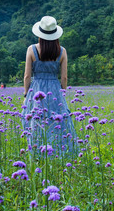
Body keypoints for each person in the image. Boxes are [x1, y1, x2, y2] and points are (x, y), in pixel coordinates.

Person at [23, 16, 76, 157]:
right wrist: (62, 94)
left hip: (37, 89)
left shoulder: (31, 49)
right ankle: (59, 152)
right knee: (57, 121)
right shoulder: (62, 51)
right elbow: (64, 77)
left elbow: (27, 76)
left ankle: (36, 153)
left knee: (37, 121)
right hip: (55, 91)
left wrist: (26, 94)